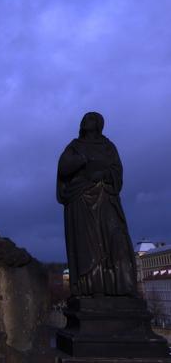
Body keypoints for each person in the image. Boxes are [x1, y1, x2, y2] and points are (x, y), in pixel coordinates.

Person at [57, 112, 137, 297]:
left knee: (116, 236)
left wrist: (103, 174)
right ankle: (92, 288)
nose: (86, 121)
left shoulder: (108, 147)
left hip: (105, 195)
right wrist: (83, 160)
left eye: (91, 119)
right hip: (81, 198)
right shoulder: (75, 146)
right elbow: (63, 168)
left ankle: (122, 288)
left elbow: (117, 170)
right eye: (85, 119)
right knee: (87, 245)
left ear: (99, 124)